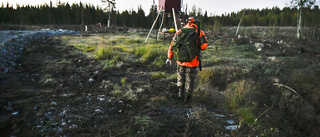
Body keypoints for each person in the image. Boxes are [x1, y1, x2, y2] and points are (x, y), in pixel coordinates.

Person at [166, 17, 208, 103]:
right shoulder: (198, 32)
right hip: (192, 61)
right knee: (189, 79)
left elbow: (172, 45)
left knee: (180, 77)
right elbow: (204, 46)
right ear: (195, 22)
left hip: (180, 60)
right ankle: (187, 98)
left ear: (186, 22)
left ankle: (180, 94)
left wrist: (170, 57)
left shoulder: (179, 32)